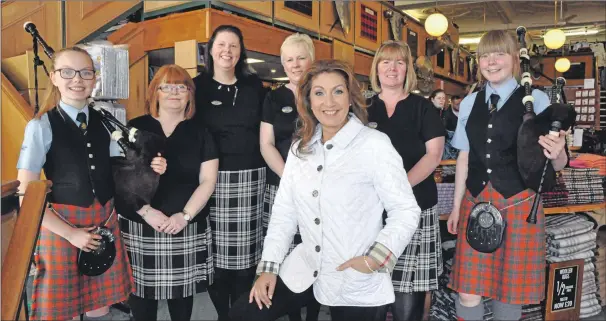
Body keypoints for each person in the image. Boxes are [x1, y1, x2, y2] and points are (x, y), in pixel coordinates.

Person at [229, 59, 422, 321]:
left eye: (338, 91)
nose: (329, 102)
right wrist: (269, 268)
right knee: (242, 315)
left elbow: (406, 210)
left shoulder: (374, 145)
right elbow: (285, 212)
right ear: (308, 100)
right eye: (319, 93)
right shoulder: (301, 149)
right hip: (304, 267)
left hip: (355, 275)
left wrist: (375, 259)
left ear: (350, 97)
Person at [16, 46, 166, 320]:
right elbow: (25, 194)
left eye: (86, 72)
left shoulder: (106, 122)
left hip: (103, 218)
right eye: (68, 72)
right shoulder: (40, 126)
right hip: (62, 224)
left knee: (100, 306)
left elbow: (119, 174)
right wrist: (71, 234)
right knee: (64, 311)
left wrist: (152, 167)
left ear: (94, 79)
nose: (77, 79)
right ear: (54, 77)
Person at [447, 30, 567, 321]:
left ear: (514, 58)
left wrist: (558, 152)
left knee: (509, 290)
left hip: (519, 203)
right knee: (467, 290)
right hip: (475, 201)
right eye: (485, 55)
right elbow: (464, 156)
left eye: (499, 53)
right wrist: (455, 207)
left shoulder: (535, 99)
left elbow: (559, 163)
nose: (491, 61)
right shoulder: (468, 103)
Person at [118, 65, 218, 321]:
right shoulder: (134, 128)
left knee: (182, 300)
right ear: (155, 93)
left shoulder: (201, 132)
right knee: (140, 301)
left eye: (181, 87)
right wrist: (146, 211)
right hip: (140, 225)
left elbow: (207, 181)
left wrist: (184, 216)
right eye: (167, 86)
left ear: (189, 95)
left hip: (185, 225)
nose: (174, 92)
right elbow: (119, 178)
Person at [366, 40, 445, 321]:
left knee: (407, 290)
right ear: (376, 67)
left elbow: (433, 155)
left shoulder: (422, 107)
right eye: (386, 61)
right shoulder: (363, 108)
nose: (392, 68)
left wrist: (395, 189)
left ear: (407, 70)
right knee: (371, 282)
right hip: (371, 211)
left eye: (399, 62)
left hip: (416, 206)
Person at [193, 25, 266, 321]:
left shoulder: (254, 86)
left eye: (233, 45)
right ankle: (224, 314)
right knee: (216, 257)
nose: (227, 51)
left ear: (241, 51)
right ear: (210, 50)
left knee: (249, 256)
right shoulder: (196, 86)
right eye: (221, 44)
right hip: (212, 179)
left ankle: (239, 312)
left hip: (251, 178)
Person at [259, 33, 321, 321]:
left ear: (312, 59)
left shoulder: (325, 91)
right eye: (289, 60)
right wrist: (290, 177)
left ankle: (315, 313)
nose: (295, 65)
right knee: (286, 254)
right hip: (282, 185)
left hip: (322, 189)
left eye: (301, 57)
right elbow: (266, 144)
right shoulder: (273, 97)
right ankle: (294, 316)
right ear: (283, 64)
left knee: (317, 250)